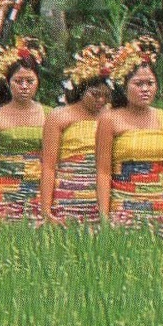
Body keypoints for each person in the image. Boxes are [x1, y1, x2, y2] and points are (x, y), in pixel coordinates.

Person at [96, 37, 163, 238]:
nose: (145, 89)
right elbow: (103, 172)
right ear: (124, 87)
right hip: (123, 209)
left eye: (150, 83)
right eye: (138, 84)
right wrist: (104, 216)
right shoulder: (110, 120)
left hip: (160, 208)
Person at [40, 45, 114, 227]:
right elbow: (48, 166)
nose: (101, 101)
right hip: (67, 195)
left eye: (105, 96)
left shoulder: (111, 116)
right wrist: (45, 208)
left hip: (101, 196)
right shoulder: (60, 116)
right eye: (95, 95)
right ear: (81, 90)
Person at [0, 38, 48, 225]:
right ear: (8, 82)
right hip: (5, 195)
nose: (24, 86)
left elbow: (51, 163)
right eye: (18, 81)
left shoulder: (48, 115)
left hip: (38, 194)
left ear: (38, 82)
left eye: (30, 81)